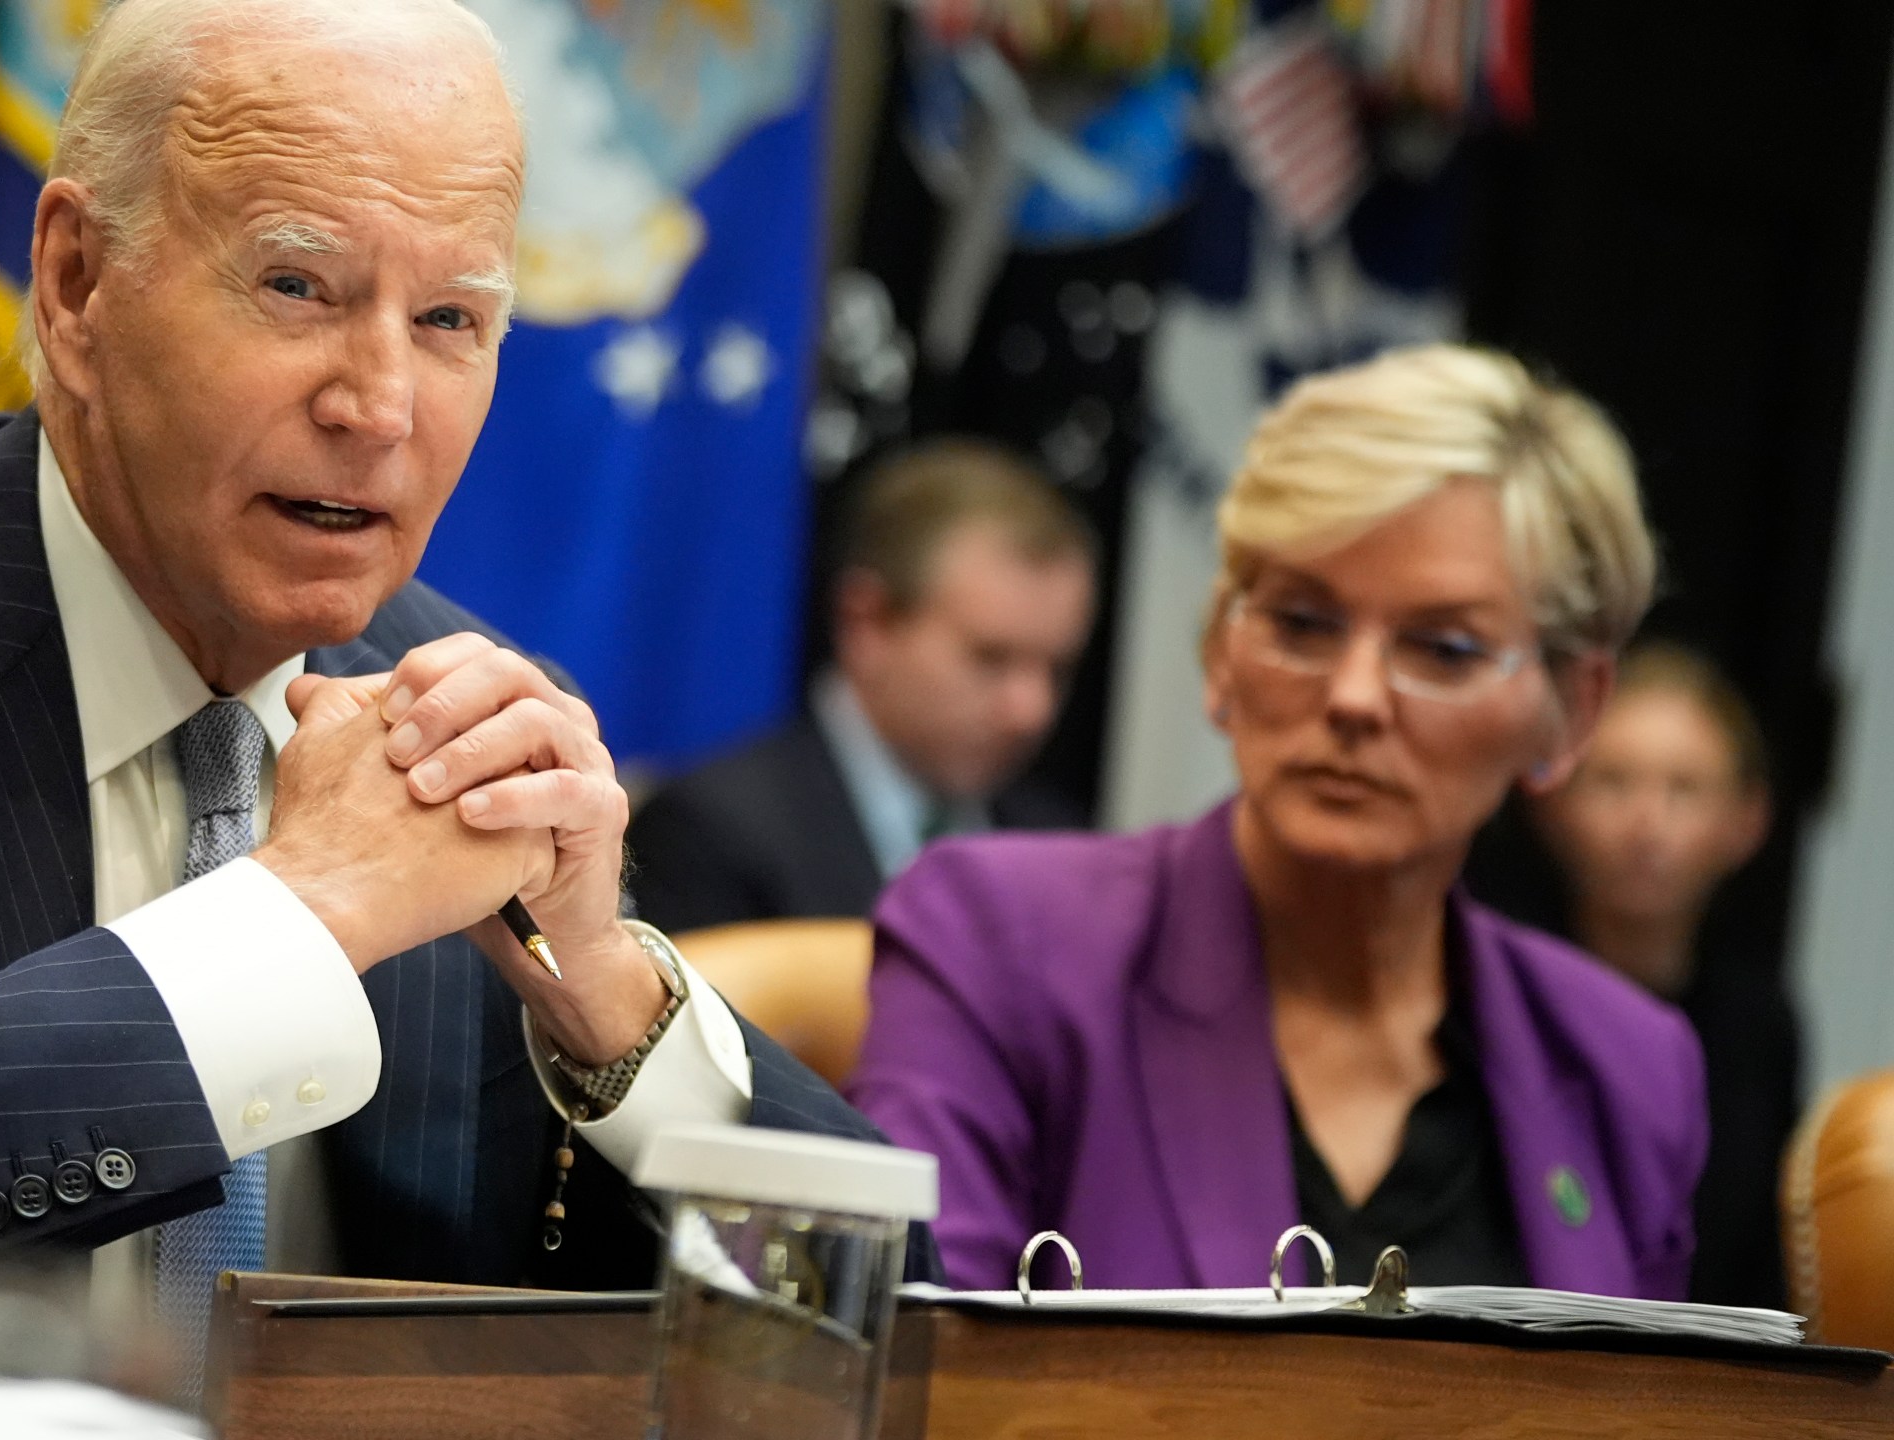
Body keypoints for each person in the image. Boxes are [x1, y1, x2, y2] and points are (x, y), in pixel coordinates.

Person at [0, 0, 927, 1381]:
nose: (379, 406)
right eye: (297, 286)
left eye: (451, 320)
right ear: (75, 281)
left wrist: (612, 1005)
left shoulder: (458, 711)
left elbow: (864, 1325)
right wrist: (302, 912)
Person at [847, 344, 1708, 1297]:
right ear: (1222, 650)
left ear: (1573, 709)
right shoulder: (997, 941)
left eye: (1442, 647)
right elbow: (918, 1375)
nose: (1352, 697)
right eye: (1302, 624)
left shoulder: (1632, 1066)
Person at [627, 439, 1096, 933]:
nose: (1031, 710)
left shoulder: (1062, 850)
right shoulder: (713, 833)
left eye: (1058, 670)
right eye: (990, 659)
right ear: (866, 624)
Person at [1532, 642, 1799, 1308]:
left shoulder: (1760, 1030)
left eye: (1684, 789)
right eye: (1614, 781)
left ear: (1747, 820)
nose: (1646, 824)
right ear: (1554, 799)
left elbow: (1762, 1271)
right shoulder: (1500, 990)